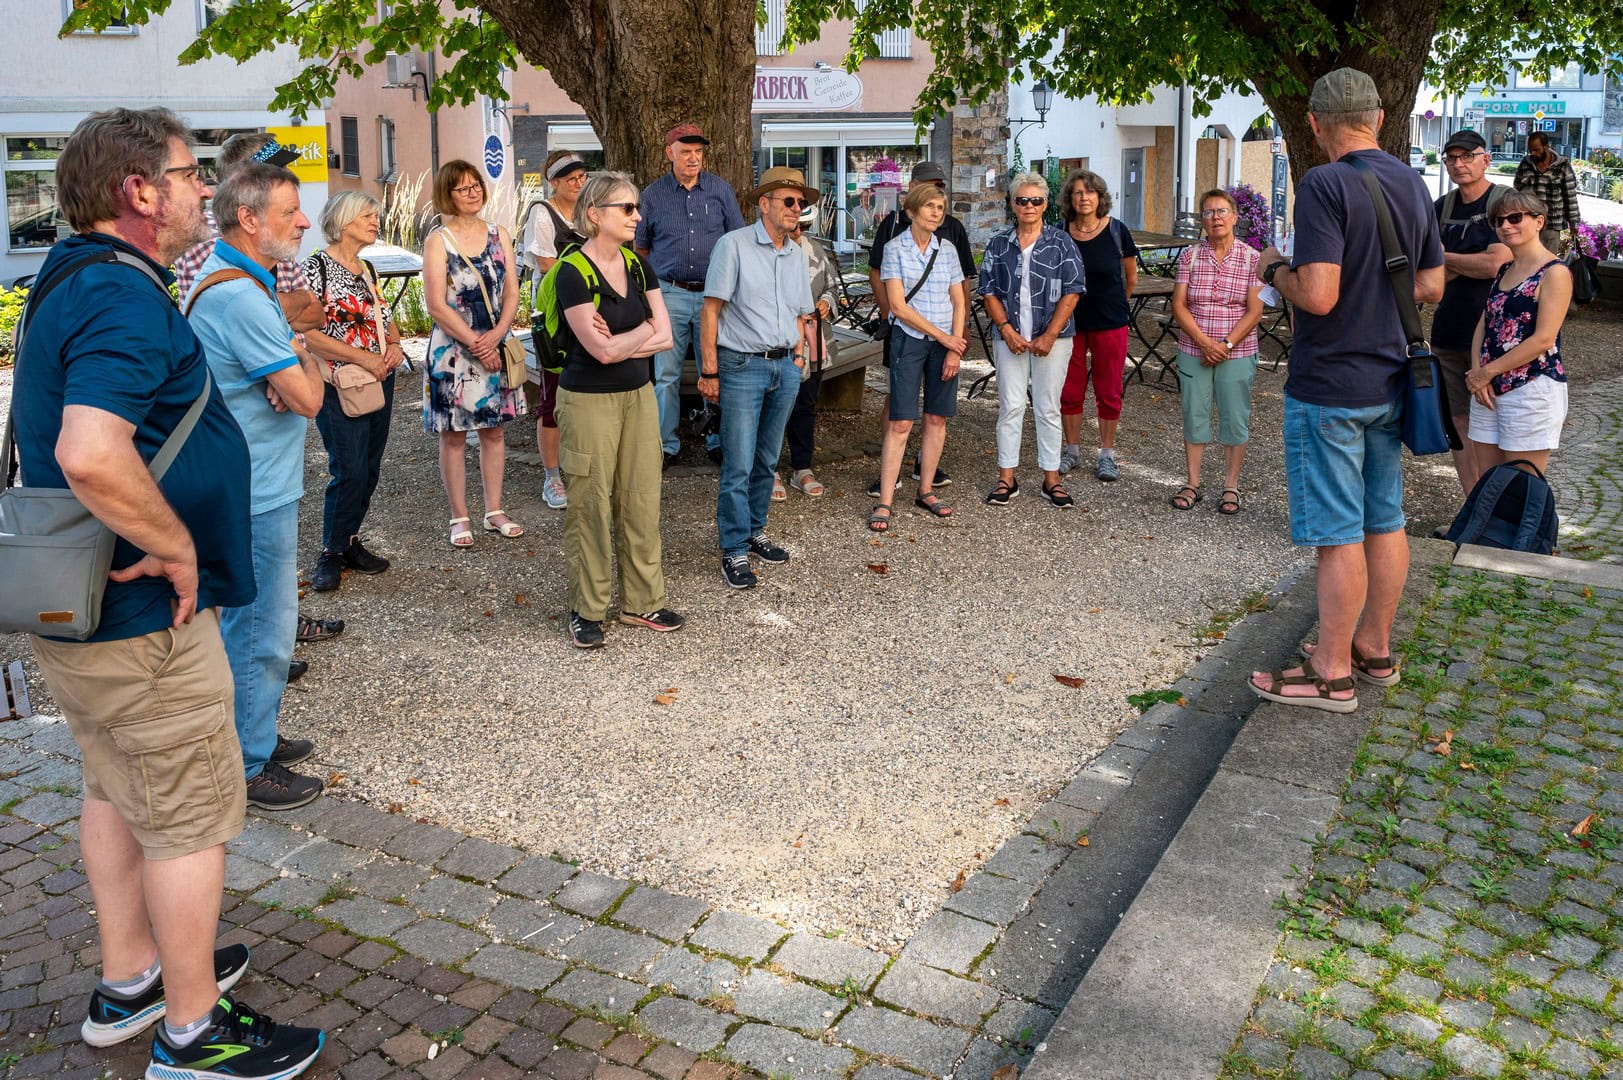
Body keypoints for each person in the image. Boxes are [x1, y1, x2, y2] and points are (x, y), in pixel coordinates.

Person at [13, 105, 324, 1080]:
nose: (205, 190)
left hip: (86, 614)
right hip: (141, 618)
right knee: (188, 817)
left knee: (113, 788)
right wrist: (180, 547)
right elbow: (90, 452)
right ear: (138, 191)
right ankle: (195, 1034)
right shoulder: (122, 297)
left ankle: (132, 979)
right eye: (191, 174)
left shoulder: (72, 279)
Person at [1248, 67, 1443, 714]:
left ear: (1313, 123)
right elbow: (1431, 285)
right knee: (1383, 519)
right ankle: (1373, 650)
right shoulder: (1410, 182)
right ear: (1378, 119)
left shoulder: (1324, 184)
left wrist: (1273, 268)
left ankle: (1328, 673)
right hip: (1392, 379)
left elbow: (1320, 294)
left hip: (1331, 385)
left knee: (1337, 533)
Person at [185, 163, 329, 810]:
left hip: (248, 483)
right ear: (248, 218)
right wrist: (306, 354)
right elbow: (306, 399)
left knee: (252, 624)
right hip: (253, 491)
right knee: (261, 630)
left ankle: (255, 735)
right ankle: (247, 765)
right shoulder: (241, 296)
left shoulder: (236, 281)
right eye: (290, 210)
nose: (303, 221)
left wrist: (291, 352)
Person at [174, 131, 342, 655]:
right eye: (275, 178)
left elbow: (313, 309)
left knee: (262, 608)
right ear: (243, 192)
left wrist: (282, 346)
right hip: (250, 473)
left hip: (262, 468)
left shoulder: (257, 263)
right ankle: (253, 724)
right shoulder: (217, 268)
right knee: (253, 620)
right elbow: (306, 396)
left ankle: (267, 659)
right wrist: (283, 353)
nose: (303, 217)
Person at [552, 172, 683, 647]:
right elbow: (600, 352)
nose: (637, 216)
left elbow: (666, 337)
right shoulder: (571, 272)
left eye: (635, 208)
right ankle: (587, 609)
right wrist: (643, 332)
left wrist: (630, 336)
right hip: (587, 402)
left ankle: (642, 603)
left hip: (638, 397)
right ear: (594, 214)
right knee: (590, 505)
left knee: (642, 499)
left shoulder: (638, 266)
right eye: (626, 209)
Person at [699, 166, 816, 587]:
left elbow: (804, 312)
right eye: (789, 201)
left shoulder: (795, 252)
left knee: (768, 459)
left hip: (785, 365)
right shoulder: (733, 246)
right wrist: (709, 370)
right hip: (742, 366)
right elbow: (709, 311)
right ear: (763, 204)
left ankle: (754, 531)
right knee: (739, 462)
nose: (797, 208)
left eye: (801, 203)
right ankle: (732, 549)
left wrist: (800, 357)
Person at [302, 191, 406, 593]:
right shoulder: (316, 269)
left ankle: (347, 541)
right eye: (367, 215)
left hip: (379, 378)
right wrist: (362, 359)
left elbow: (387, 319)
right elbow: (309, 334)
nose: (374, 221)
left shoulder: (368, 269)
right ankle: (330, 551)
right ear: (343, 221)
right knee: (348, 468)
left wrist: (394, 346)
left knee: (370, 466)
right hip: (339, 383)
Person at [422, 160, 526, 547]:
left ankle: (494, 510)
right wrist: (476, 343)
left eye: (476, 185)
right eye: (462, 188)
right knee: (452, 435)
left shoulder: (500, 234)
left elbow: (513, 291)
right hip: (453, 351)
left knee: (494, 430)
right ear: (447, 195)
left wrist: (496, 337)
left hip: (496, 345)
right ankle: (459, 515)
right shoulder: (439, 240)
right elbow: (436, 304)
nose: (472, 192)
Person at [635, 124, 745, 466]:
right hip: (670, 294)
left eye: (698, 152)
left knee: (716, 369)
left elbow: (737, 241)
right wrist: (654, 292)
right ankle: (666, 445)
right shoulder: (653, 195)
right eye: (686, 151)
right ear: (670, 153)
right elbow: (640, 248)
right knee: (665, 373)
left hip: (715, 296)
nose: (693, 158)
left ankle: (716, 438)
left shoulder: (720, 190)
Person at [866, 160, 975, 496]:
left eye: (940, 205)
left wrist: (956, 340)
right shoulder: (893, 243)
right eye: (930, 204)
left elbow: (960, 297)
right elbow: (897, 302)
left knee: (936, 417)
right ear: (911, 206)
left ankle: (925, 489)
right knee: (901, 417)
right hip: (910, 338)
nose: (936, 211)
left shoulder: (950, 246)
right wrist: (943, 337)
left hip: (945, 342)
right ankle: (887, 493)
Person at [978, 173, 1085, 508]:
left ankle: (1051, 478)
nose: (1029, 206)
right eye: (1022, 200)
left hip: (1052, 338)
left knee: (1048, 407)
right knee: (1010, 407)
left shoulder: (1062, 242)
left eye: (1036, 200)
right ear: (1012, 204)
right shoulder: (998, 243)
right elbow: (988, 290)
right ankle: (1006, 478)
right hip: (1009, 336)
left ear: (1045, 204)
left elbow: (1073, 290)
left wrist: (1051, 333)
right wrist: (1006, 329)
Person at [1168, 188, 1264, 515]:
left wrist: (1225, 345)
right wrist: (1205, 343)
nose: (1215, 218)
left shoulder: (1253, 258)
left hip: (1236, 352)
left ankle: (1231, 485)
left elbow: (1255, 312)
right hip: (1194, 348)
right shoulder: (1190, 256)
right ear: (1202, 221)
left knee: (1235, 418)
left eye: (1222, 211)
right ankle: (1192, 482)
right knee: (1194, 415)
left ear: (1235, 217)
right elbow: (1179, 306)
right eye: (1208, 213)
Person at [1465, 190, 1572, 476]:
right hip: (1488, 390)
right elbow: (1485, 324)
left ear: (1539, 222)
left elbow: (1543, 339)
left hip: (1531, 389)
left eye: (1515, 218)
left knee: (1523, 490)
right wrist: (1478, 374)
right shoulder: (1504, 270)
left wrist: (1486, 373)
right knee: (1489, 485)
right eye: (1499, 221)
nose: (1506, 226)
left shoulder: (1555, 272)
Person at [1433, 129, 1512, 494]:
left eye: (1467, 156)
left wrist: (1445, 259)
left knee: (1498, 421)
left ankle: (1499, 511)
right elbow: (1427, 274)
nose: (1459, 164)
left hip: (1498, 337)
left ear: (1486, 159)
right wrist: (1468, 262)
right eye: (1452, 158)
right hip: (1448, 331)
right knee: (1458, 421)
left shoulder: (1504, 204)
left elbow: (1497, 264)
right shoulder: (1441, 208)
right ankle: (1472, 507)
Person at [1059, 169, 1137, 482]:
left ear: (1100, 197)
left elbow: (1130, 279)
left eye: (1089, 192)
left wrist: (1114, 303)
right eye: (1077, 193)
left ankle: (1107, 454)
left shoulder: (1117, 231)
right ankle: (1072, 450)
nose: (1084, 198)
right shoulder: (1060, 232)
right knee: (1070, 388)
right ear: (1070, 199)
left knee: (1109, 388)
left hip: (1110, 321)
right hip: (1069, 323)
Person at [523, 150, 589, 510]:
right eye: (570, 178)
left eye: (581, 176)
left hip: (588, 311)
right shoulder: (542, 212)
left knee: (587, 393)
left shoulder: (588, 210)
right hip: (555, 316)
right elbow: (546, 263)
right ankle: (552, 476)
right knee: (552, 397)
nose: (578, 183)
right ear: (555, 182)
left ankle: (581, 467)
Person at [776, 203, 841, 500]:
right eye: (793, 225)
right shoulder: (763, 251)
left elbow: (832, 286)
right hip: (778, 340)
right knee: (773, 406)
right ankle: (769, 469)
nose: (797, 231)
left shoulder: (815, 250)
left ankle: (802, 466)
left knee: (805, 404)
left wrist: (827, 302)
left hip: (814, 341)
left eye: (802, 226)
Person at [1514, 131, 1581, 251]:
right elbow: (1517, 193)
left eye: (1536, 150)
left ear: (1546, 147)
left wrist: (1574, 223)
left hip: (1553, 226)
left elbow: (1570, 197)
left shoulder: (1563, 166)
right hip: (1529, 224)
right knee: (1529, 264)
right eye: (1530, 150)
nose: (1532, 153)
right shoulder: (1525, 164)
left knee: (1551, 265)